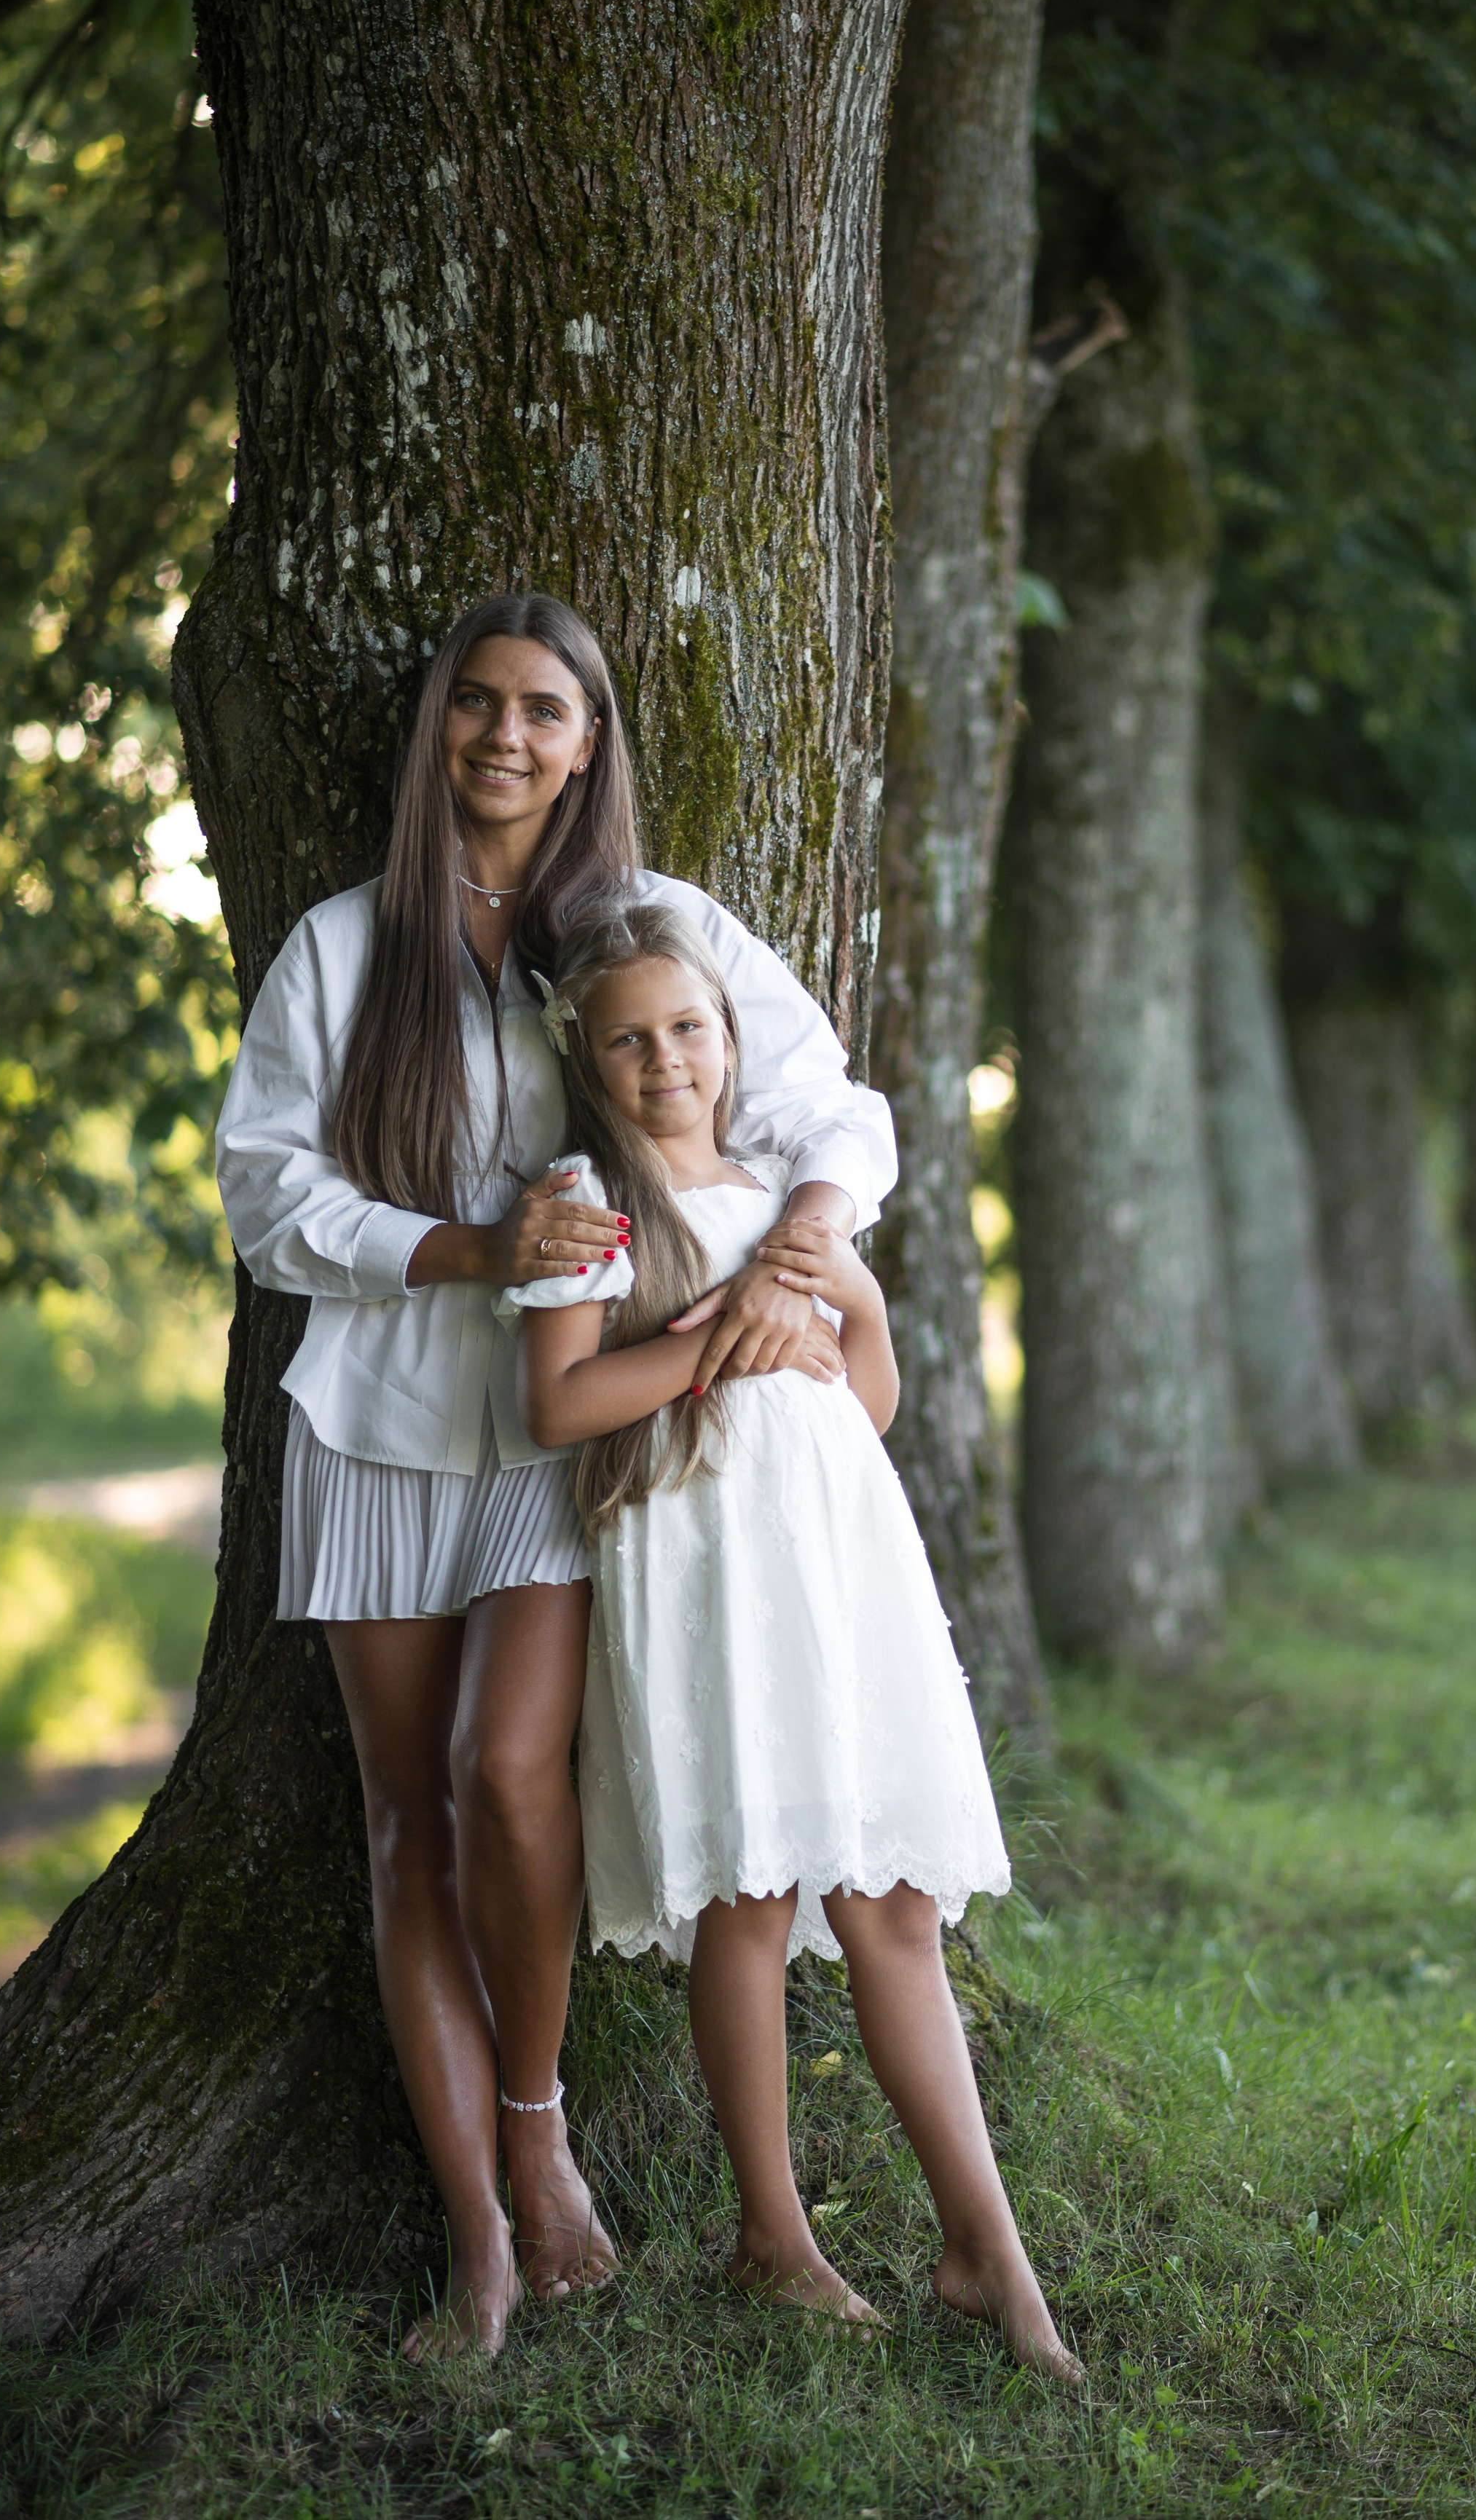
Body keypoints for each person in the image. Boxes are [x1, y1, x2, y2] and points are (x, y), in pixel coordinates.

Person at [214, 593, 895, 2359]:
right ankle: (483, 2238)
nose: (503, 737)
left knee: (509, 1779)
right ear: (436, 724)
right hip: (374, 1416)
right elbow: (266, 1194)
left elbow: (831, 1103)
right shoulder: (345, 946)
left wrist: (801, 1252)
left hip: (566, 1433)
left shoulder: (650, 934)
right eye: (475, 704)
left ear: (587, 743)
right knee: (407, 1821)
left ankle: (537, 2117)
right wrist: (467, 1244)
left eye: (542, 711)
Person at [510, 899, 1082, 2383]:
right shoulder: (590, 1194)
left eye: (688, 1029)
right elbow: (558, 1406)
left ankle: (986, 2249)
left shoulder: (787, 1188)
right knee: (750, 1904)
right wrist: (720, 1327)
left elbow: (857, 1400)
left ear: (730, 1037)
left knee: (893, 1901)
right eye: (628, 1040)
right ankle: (772, 2233)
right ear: (587, 1056)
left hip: (838, 1563)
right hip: (705, 1569)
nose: (663, 1061)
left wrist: (855, 1298)